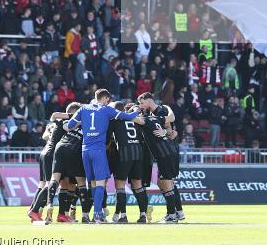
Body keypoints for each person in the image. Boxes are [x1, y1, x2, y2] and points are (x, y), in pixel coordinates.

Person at [63, 89, 140, 223]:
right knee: (100, 183)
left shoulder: (83, 109)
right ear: (105, 99)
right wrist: (137, 111)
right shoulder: (106, 110)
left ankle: (95, 215)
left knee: (92, 183)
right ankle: (98, 214)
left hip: (85, 150)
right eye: (107, 100)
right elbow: (128, 117)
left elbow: (69, 126)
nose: (108, 103)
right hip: (98, 151)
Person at [136, 92, 183, 223]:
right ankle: (176, 212)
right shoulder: (152, 115)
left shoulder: (161, 110)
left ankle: (174, 214)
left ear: (149, 100)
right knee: (162, 182)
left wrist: (165, 132)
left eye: (142, 102)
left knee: (168, 182)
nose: (140, 106)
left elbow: (172, 132)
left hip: (167, 150)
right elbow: (171, 118)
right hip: (164, 152)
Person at [109, 100, 153, 224]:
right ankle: (143, 215)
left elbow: (108, 139)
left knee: (120, 185)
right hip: (138, 154)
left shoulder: (115, 120)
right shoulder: (134, 119)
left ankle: (123, 216)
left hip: (124, 154)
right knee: (138, 186)